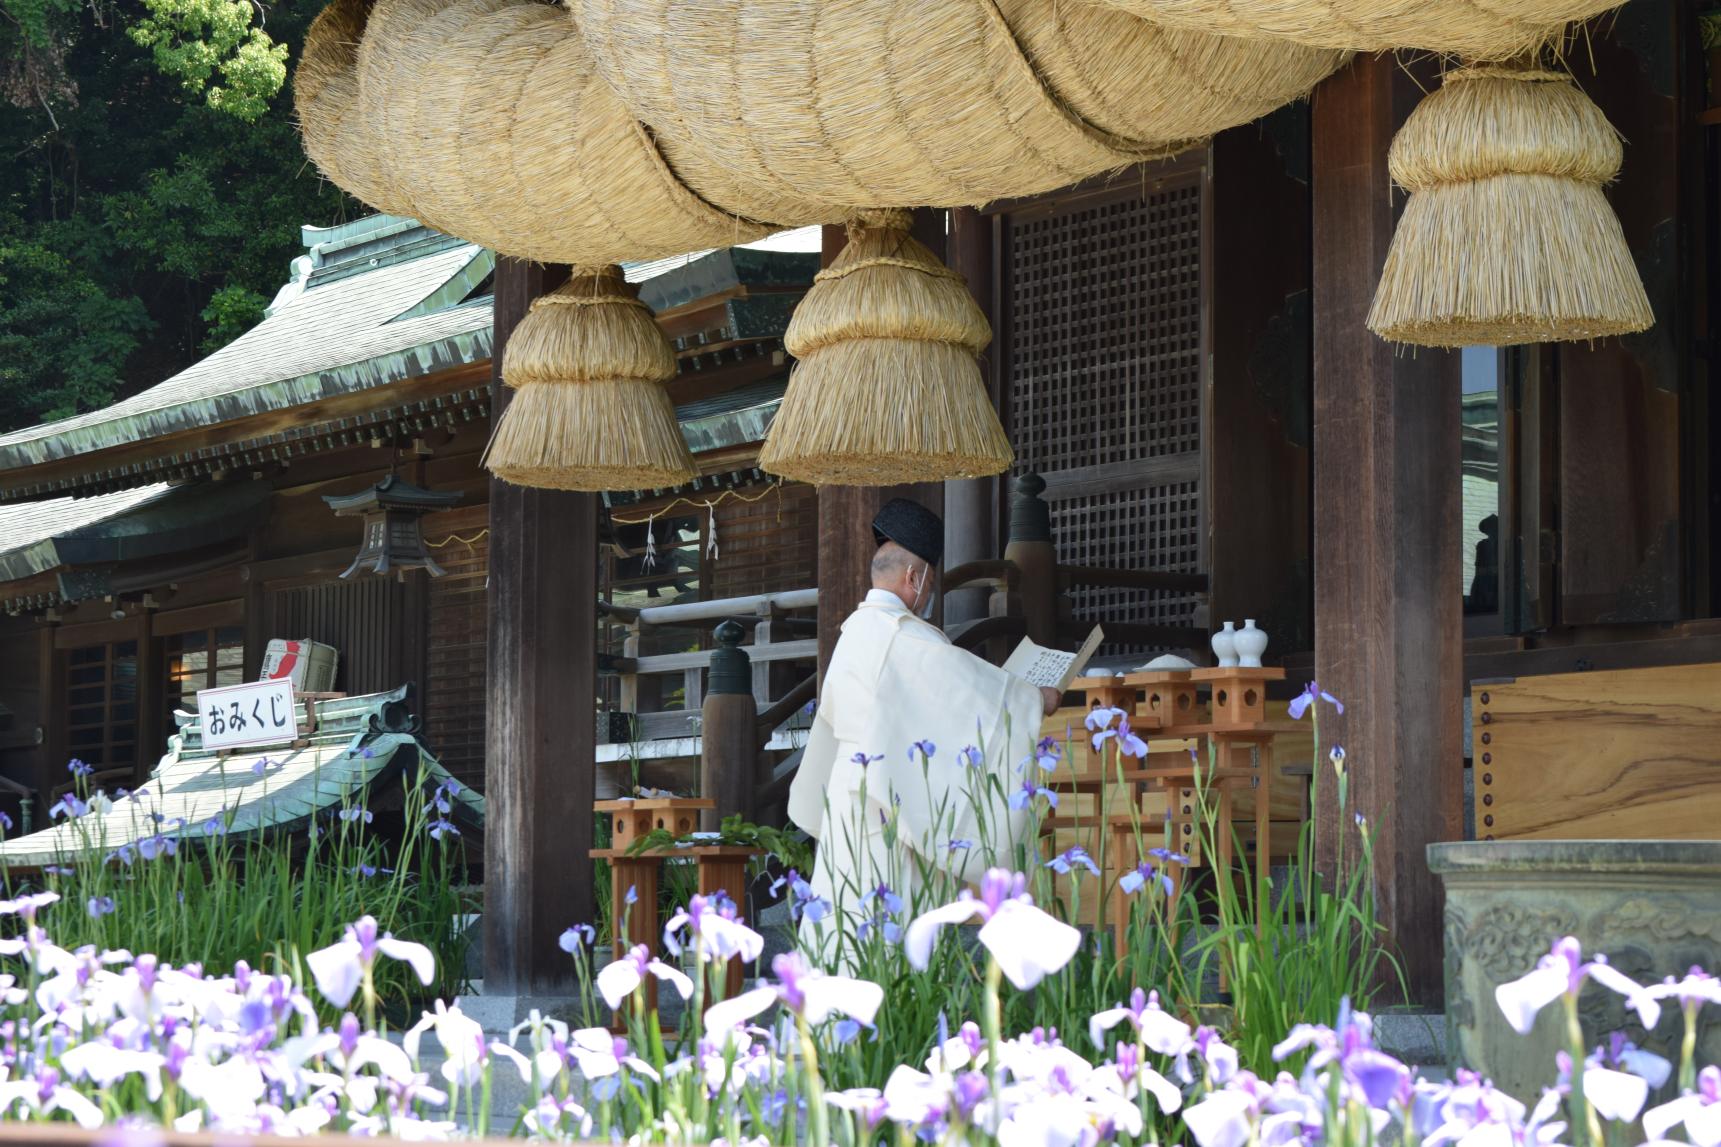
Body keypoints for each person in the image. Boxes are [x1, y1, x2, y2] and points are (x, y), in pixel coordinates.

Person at [787, 497, 1062, 963]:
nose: (928, 593)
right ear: (914, 578)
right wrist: (1036, 699)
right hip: (886, 809)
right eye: (929, 582)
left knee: (841, 934)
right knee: (889, 941)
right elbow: (975, 696)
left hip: (848, 815)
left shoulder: (854, 632)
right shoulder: (906, 640)